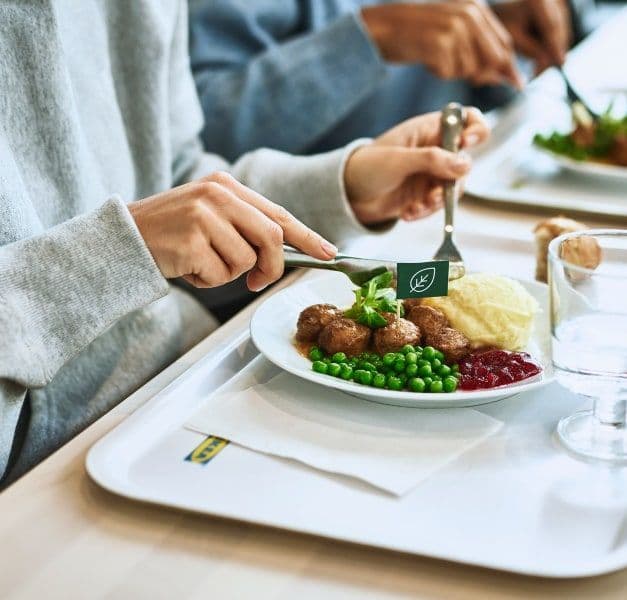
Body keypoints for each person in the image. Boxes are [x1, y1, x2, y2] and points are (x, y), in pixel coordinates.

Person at [0, 1, 488, 486]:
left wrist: (345, 185)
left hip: (181, 378)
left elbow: (172, 178)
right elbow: (146, 228)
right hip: (46, 456)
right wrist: (120, 253)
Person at [189, 0, 571, 160]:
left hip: (436, 206)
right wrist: (373, 39)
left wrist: (500, 24)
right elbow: (202, 137)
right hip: (298, 260)